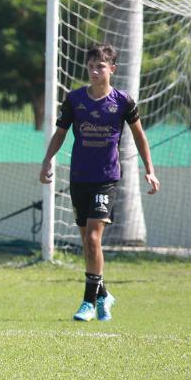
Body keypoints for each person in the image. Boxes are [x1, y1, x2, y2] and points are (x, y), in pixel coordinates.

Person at [39, 43, 159, 321]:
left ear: (112, 69)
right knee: (88, 243)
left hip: (106, 178)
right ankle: (104, 294)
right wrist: (47, 160)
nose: (94, 71)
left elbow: (139, 136)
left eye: (100, 67)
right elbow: (60, 133)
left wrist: (150, 170)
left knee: (94, 238)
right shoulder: (74, 99)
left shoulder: (123, 101)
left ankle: (88, 303)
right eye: (91, 66)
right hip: (79, 177)